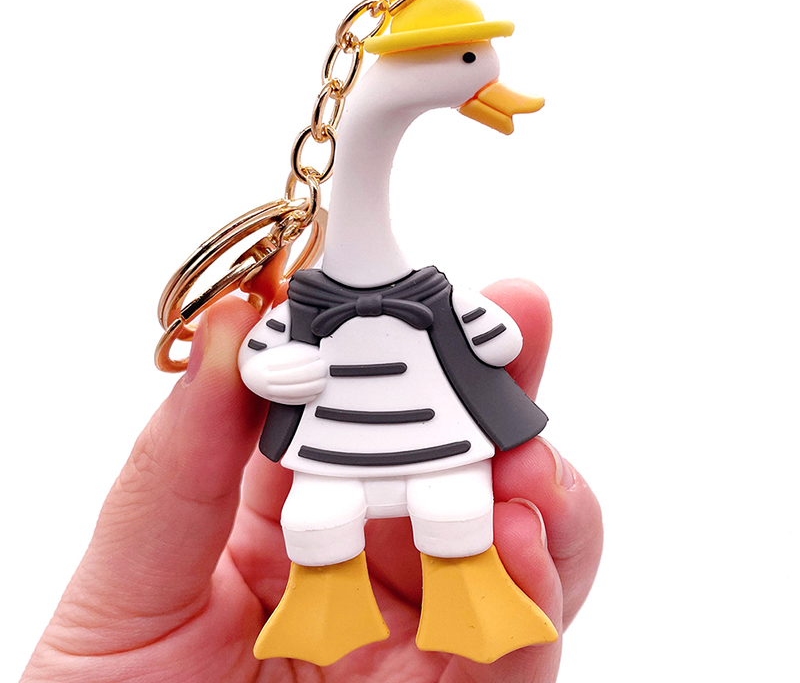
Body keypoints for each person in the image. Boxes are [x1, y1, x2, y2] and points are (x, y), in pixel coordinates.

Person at [21, 279, 603, 682]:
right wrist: (263, 367)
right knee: (315, 519)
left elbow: (501, 339)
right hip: (329, 451)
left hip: (441, 442)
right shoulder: (301, 307)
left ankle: (474, 601)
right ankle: (320, 611)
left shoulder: (437, 295)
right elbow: (256, 355)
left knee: (455, 510)